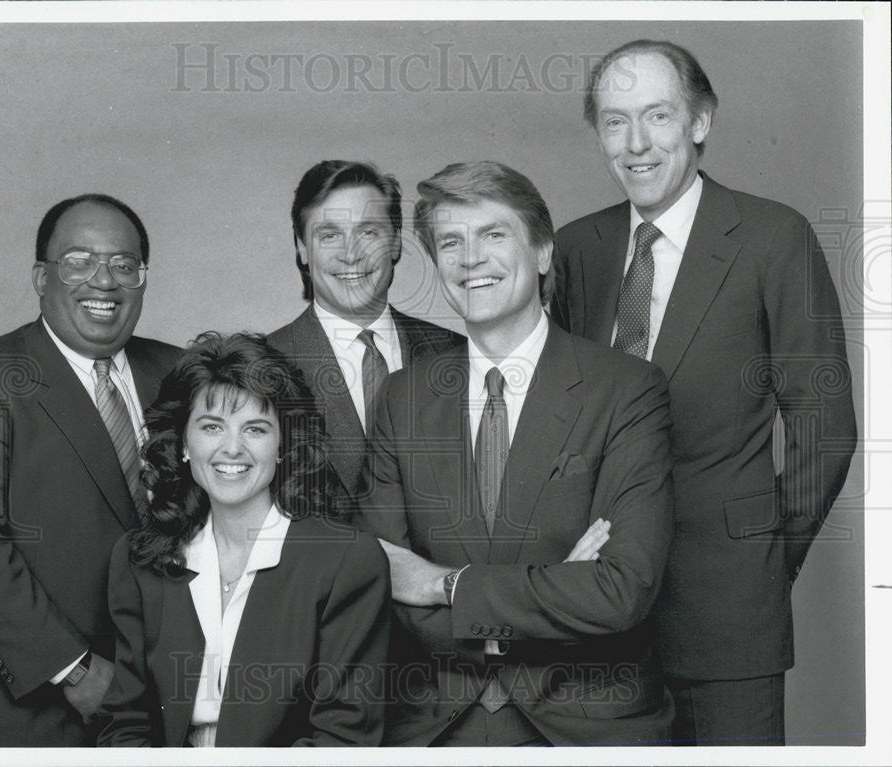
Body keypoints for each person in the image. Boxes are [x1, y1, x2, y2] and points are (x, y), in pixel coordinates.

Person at [550, 39, 857, 745]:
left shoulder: (774, 237)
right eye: (614, 121)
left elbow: (826, 427)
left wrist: (764, 556)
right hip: (596, 618)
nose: (635, 144)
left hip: (728, 613)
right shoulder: (576, 249)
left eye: (657, 116)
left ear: (700, 122)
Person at [355, 161, 675, 746]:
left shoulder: (626, 390)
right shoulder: (401, 398)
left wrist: (445, 586)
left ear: (545, 252)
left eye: (493, 235)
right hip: (434, 729)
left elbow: (620, 590)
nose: (470, 258)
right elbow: (381, 583)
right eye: (451, 242)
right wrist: (555, 590)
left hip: (583, 726)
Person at [0, 193, 180, 745]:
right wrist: (74, 668)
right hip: (12, 703)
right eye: (79, 261)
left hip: (152, 696)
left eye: (124, 265)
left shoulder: (179, 374)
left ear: (143, 278)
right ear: (41, 277)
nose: (104, 282)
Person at [97, 332, 391, 747]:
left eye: (255, 429)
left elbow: (344, 738)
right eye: (211, 426)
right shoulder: (140, 560)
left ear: (283, 444)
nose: (231, 449)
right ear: (183, 442)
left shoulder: (345, 561)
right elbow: (125, 725)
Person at [268, 160, 464, 515]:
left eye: (368, 232)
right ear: (301, 249)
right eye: (329, 235)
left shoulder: (457, 353)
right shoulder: (263, 365)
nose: (351, 253)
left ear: (395, 243)